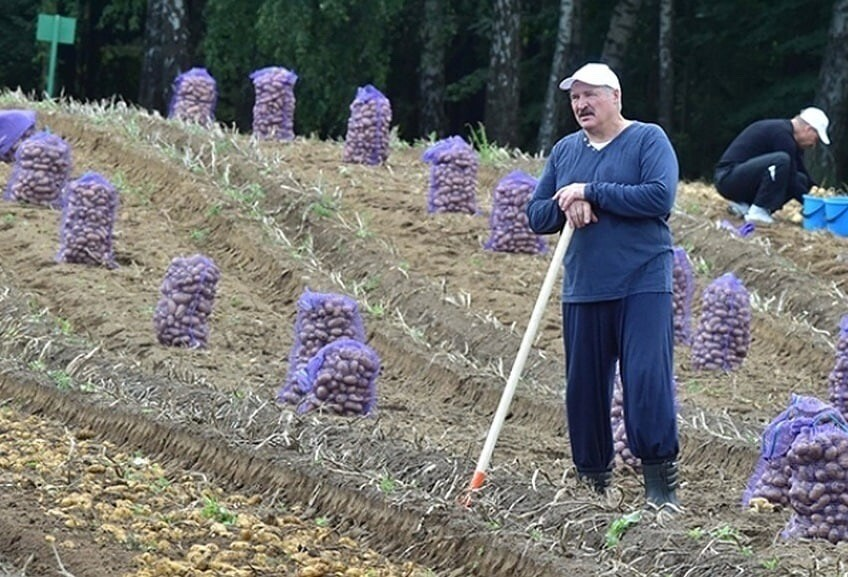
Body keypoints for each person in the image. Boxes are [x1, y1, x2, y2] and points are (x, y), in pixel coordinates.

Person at [526, 62, 681, 512]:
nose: (580, 104)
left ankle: (661, 485)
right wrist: (567, 200)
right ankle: (592, 481)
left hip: (642, 279)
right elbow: (537, 216)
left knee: (645, 378)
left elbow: (658, 196)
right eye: (574, 97)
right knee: (584, 387)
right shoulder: (564, 151)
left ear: (615, 96)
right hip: (585, 285)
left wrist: (591, 191)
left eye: (589, 94)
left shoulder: (647, 139)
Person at [713, 107, 830, 225]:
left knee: (801, 179)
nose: (814, 144)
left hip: (743, 179)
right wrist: (812, 204)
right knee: (781, 161)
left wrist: (819, 193)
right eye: (816, 138)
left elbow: (800, 173)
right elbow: (790, 179)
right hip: (727, 178)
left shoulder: (789, 138)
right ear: (808, 129)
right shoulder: (781, 134)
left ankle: (745, 206)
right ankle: (758, 211)